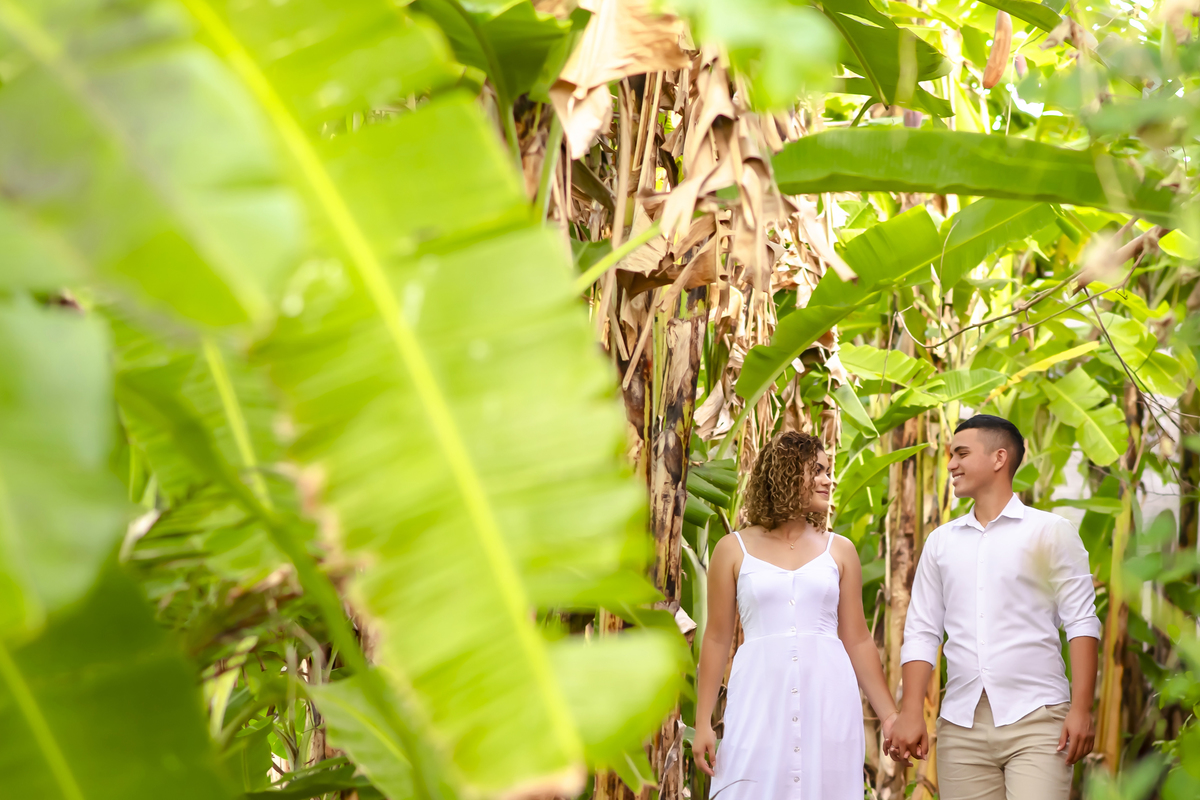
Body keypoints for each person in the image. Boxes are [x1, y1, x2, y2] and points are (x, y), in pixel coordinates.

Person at [886, 414, 1100, 800]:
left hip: (1038, 719)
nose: (951, 464)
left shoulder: (1051, 532)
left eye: (961, 453)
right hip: (961, 724)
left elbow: (1082, 622)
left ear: (999, 458)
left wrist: (1081, 709)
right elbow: (922, 631)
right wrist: (911, 711)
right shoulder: (940, 543)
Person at [693, 431, 899, 798]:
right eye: (816, 470)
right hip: (758, 694)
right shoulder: (732, 549)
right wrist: (703, 721)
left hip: (828, 696)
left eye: (828, 471)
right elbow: (717, 637)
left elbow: (858, 639)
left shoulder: (841, 550)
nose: (827, 479)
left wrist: (889, 717)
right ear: (786, 474)